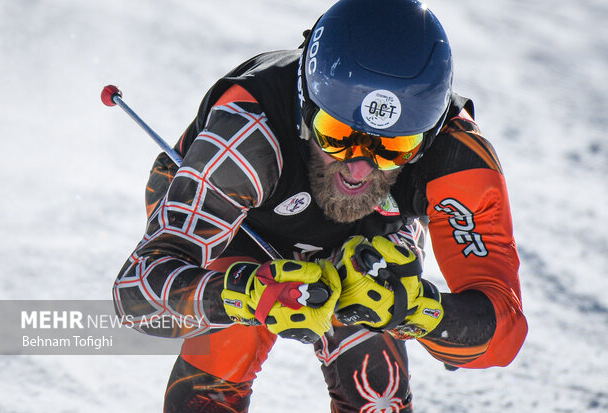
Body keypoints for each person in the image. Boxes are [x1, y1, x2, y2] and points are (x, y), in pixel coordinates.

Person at [113, 0, 528, 411]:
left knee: (373, 369)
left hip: (369, 232)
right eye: (335, 134)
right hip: (239, 226)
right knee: (227, 344)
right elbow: (134, 296)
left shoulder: (454, 155)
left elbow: (503, 333)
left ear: (429, 134)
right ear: (304, 106)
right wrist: (241, 294)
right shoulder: (248, 139)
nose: (359, 168)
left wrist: (419, 309)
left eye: (395, 146)